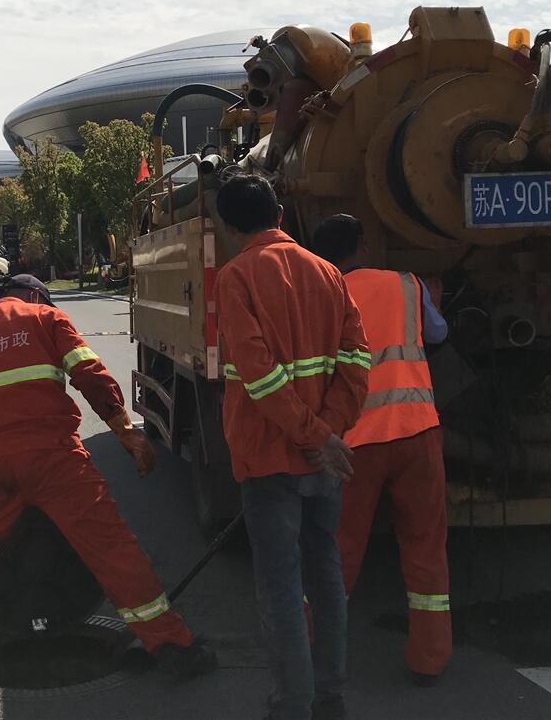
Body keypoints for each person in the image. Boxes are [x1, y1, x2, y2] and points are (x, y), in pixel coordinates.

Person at [0, 273, 215, 675]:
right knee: (112, 548)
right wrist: (125, 433)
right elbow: (91, 375)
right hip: (54, 460)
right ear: (36, 296)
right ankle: (171, 645)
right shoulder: (46, 319)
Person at [214, 176, 371, 720]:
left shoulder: (236, 276)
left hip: (268, 458)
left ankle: (292, 704)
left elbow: (257, 377)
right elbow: (356, 361)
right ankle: (330, 697)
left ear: (229, 227)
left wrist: (313, 435)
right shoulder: (329, 272)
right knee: (326, 576)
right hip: (319, 458)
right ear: (280, 211)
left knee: (281, 587)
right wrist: (328, 431)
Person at [312, 214, 451, 684]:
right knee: (426, 547)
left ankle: (316, 650)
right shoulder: (408, 285)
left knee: (339, 550)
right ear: (364, 245)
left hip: (355, 445)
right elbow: (438, 335)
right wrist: (436, 301)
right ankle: (430, 659)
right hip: (418, 434)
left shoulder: (324, 294)